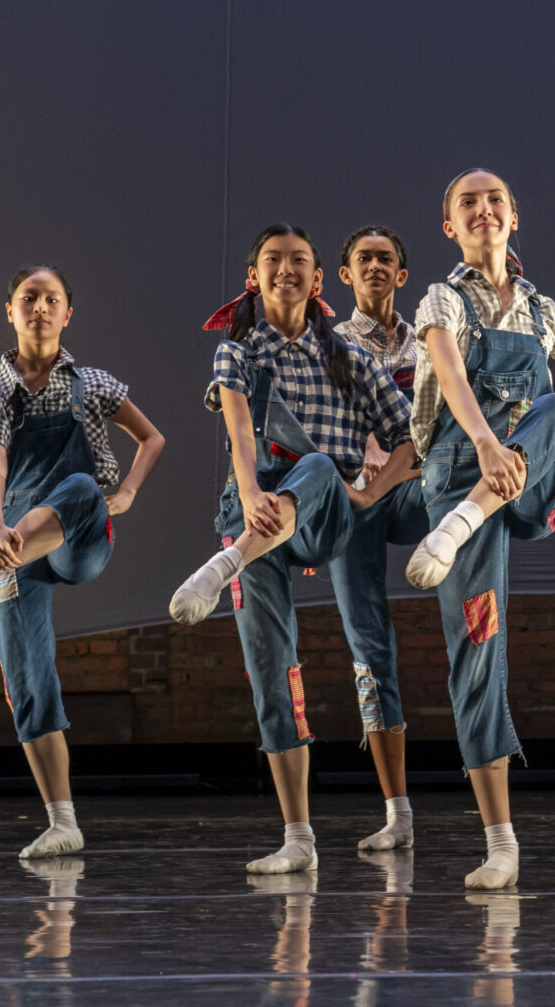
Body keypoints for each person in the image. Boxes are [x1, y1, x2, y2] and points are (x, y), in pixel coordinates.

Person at [405, 168, 555, 889]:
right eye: (466, 204)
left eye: (493, 200)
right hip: (458, 469)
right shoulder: (442, 296)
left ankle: (474, 512)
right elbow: (446, 366)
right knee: (478, 645)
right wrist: (483, 444)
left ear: (513, 219)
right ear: (451, 226)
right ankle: (500, 842)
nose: (482, 210)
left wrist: (553, 455)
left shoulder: (543, 312)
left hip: (524, 486)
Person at [168, 224, 417, 873]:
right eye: (273, 260)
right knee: (270, 669)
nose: (286, 269)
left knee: (319, 469)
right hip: (252, 514)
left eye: (299, 261)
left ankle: (223, 566)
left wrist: (373, 492)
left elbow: (410, 439)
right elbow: (239, 426)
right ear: (254, 276)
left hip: (321, 508)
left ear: (317, 280)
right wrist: (250, 492)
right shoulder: (237, 352)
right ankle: (298, 837)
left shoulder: (353, 359)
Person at [0, 265, 165, 859]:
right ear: (10, 312)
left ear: (68, 313)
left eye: (52, 299)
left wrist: (126, 495)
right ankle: (62, 822)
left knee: (80, 486)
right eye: (28, 298)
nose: (39, 307)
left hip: (80, 536)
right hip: (15, 546)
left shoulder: (92, 383)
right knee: (27, 682)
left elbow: (152, 438)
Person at [329, 224, 429, 851]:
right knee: (370, 648)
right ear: (346, 275)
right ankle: (398, 814)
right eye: (363, 258)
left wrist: (390, 473)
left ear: (401, 273)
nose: (374, 266)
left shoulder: (431, 341)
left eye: (385, 258)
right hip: (356, 504)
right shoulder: (329, 345)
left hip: (414, 491)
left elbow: (430, 438)